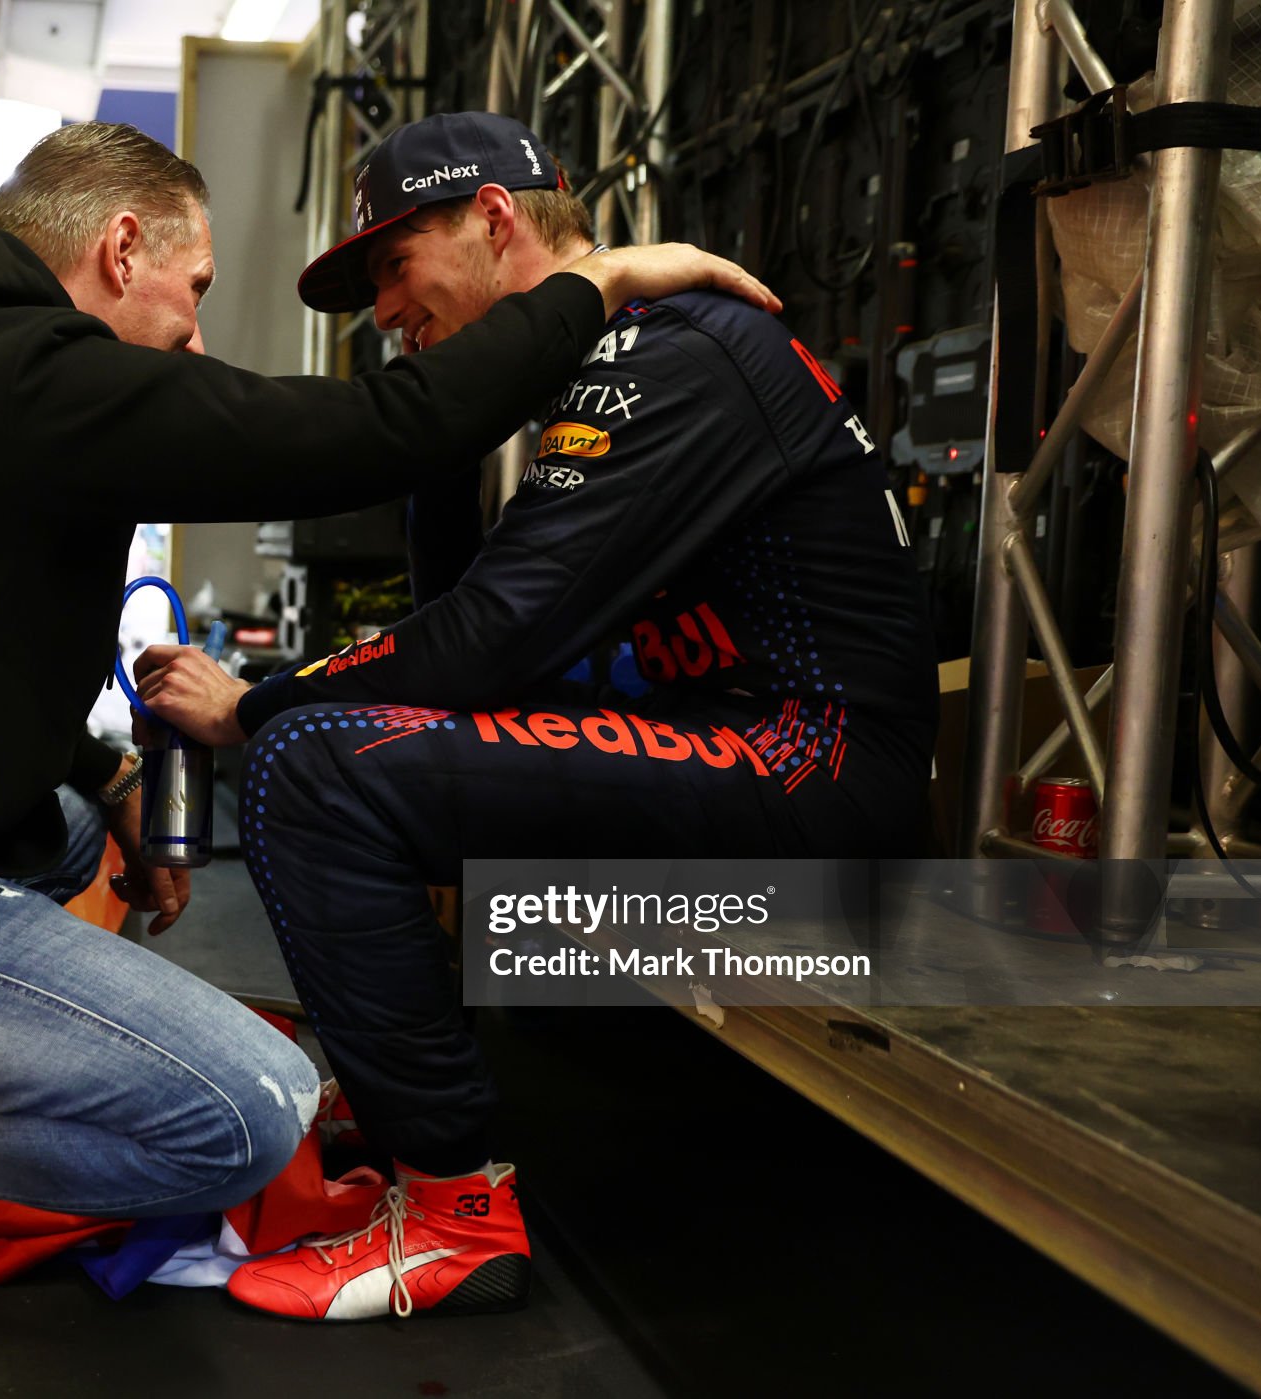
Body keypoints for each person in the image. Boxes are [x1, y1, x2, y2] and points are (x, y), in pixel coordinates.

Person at [0, 119, 777, 1317]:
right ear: (121, 248)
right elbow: (378, 434)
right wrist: (596, 282)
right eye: (196, 289)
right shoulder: (27, 376)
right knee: (249, 1115)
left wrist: (109, 777)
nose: (197, 335)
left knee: (68, 827)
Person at [135, 111, 937, 1322]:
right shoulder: (600, 365)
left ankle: (453, 1213)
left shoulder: (663, 354)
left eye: (395, 268)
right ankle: (396, 1095)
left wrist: (258, 703)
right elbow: (468, 629)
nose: (384, 313)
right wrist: (443, 435)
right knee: (350, 748)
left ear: (496, 221)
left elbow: (480, 644)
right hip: (727, 743)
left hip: (815, 779)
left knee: (310, 761)